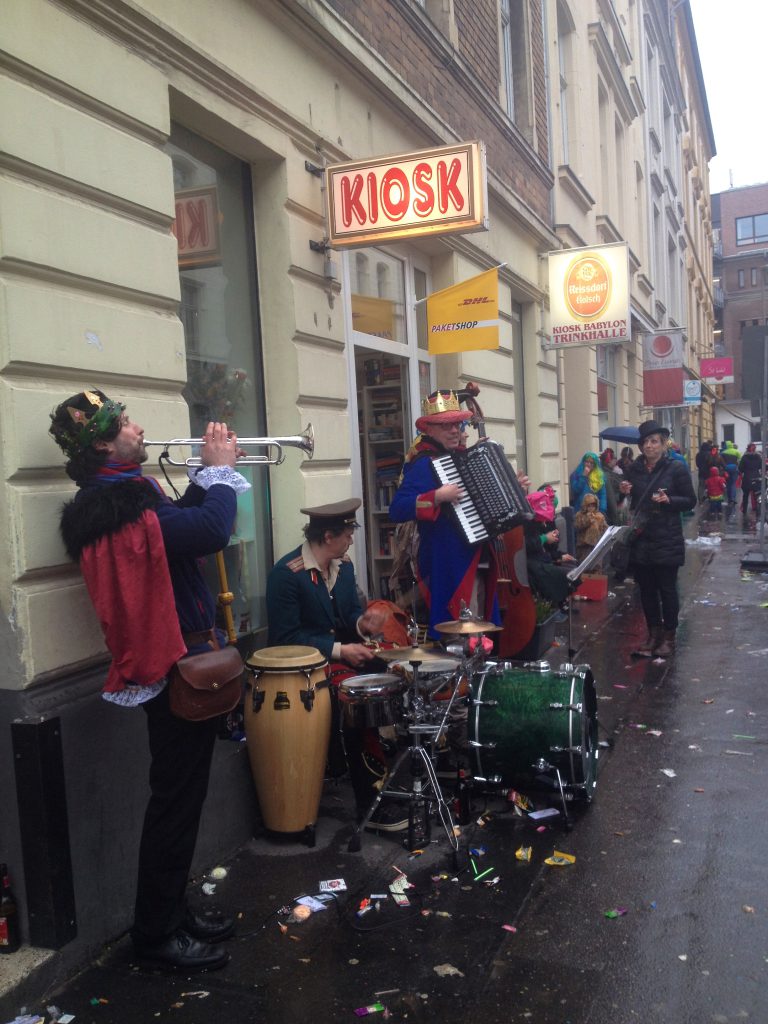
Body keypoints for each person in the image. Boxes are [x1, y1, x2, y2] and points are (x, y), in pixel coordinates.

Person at [49, 389, 250, 972]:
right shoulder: (118, 501)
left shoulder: (124, 496)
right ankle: (157, 934)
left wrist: (200, 479)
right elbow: (210, 532)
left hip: (173, 659)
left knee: (180, 800)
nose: (139, 428)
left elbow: (176, 532)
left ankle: (171, 913)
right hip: (171, 666)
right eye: (126, 423)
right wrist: (217, 473)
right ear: (106, 442)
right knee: (174, 804)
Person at [265, 499, 405, 827]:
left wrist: (363, 625)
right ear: (328, 536)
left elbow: (347, 616)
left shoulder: (343, 568)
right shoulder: (286, 575)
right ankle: (370, 803)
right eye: (347, 533)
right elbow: (285, 639)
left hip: (338, 655)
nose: (351, 540)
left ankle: (390, 776)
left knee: (394, 672)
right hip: (305, 669)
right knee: (357, 698)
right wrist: (341, 650)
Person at [389, 390, 501, 638]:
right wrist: (437, 497)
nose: (454, 430)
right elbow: (397, 509)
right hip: (450, 563)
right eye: (445, 425)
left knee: (482, 629)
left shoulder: (464, 457)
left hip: (479, 557)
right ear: (428, 428)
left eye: (457, 424)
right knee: (462, 633)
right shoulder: (423, 463)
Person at [619, 419, 696, 658]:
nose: (650, 446)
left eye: (654, 441)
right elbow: (629, 503)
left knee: (667, 590)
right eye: (645, 442)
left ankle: (669, 637)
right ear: (641, 446)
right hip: (642, 537)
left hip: (667, 536)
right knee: (647, 590)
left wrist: (669, 500)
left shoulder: (676, 468)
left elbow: (690, 500)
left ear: (663, 444)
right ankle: (653, 636)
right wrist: (624, 492)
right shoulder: (634, 469)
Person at [574, 492, 608, 561]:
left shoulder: (599, 516)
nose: (591, 508)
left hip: (596, 545)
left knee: (596, 563)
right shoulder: (580, 515)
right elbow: (577, 526)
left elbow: (605, 527)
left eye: (593, 506)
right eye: (589, 506)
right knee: (584, 563)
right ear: (585, 506)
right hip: (583, 545)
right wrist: (588, 521)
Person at [738, 443, 762, 515]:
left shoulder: (744, 457)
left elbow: (740, 468)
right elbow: (762, 466)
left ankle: (744, 510)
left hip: (747, 478)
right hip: (756, 477)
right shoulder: (758, 456)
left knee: (745, 495)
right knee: (757, 495)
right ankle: (758, 511)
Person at [721, 441, 741, 505]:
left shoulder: (723, 453)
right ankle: (733, 498)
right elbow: (740, 460)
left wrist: (725, 467)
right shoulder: (736, 452)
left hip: (726, 470)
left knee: (728, 484)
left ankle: (729, 498)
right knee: (733, 484)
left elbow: (721, 461)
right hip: (734, 469)